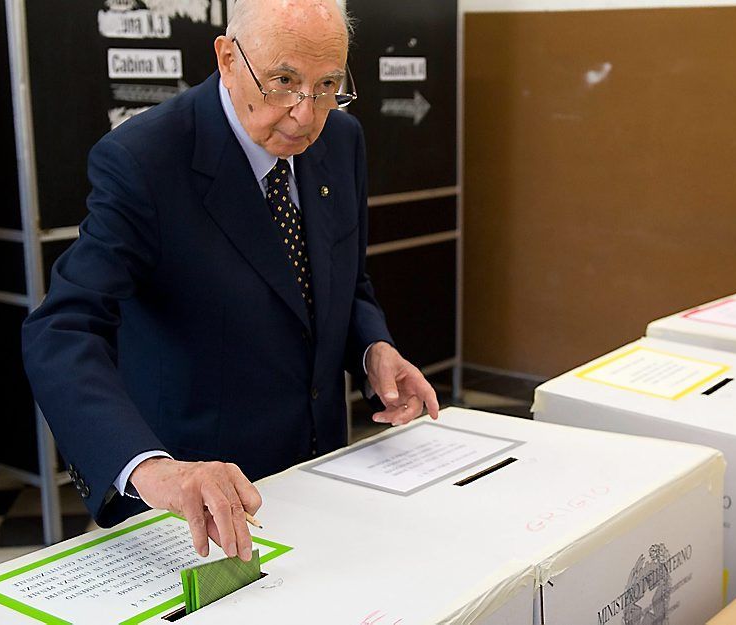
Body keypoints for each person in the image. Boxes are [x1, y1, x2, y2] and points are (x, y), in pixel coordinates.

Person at [22, 0, 439, 564]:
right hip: (197, 505)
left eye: (327, 86)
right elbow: (62, 331)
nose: (304, 114)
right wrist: (151, 468)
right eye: (283, 82)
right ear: (225, 57)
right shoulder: (145, 159)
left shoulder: (341, 140)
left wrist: (372, 348)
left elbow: (341, 278)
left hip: (321, 474)